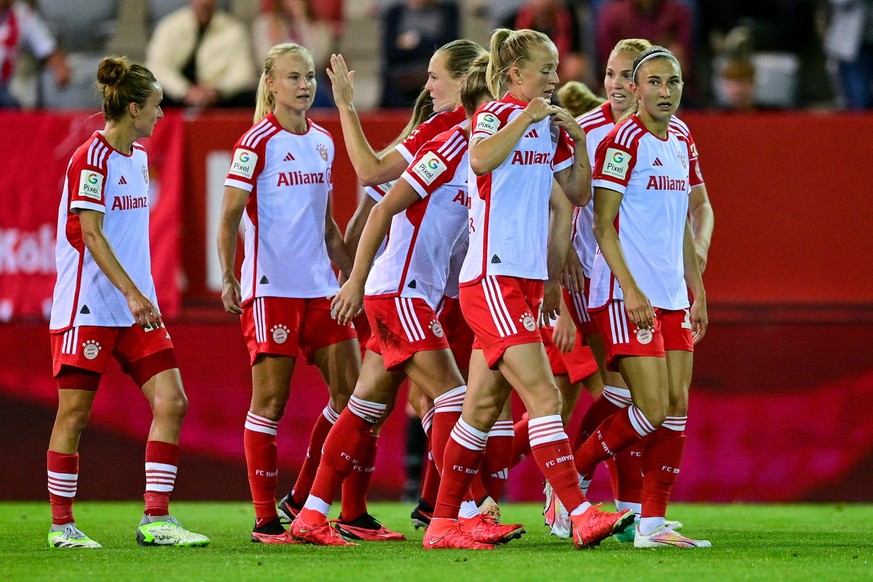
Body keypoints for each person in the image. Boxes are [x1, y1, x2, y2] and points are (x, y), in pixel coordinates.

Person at [289, 54, 521, 547]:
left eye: (436, 76)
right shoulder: (451, 139)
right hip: (400, 292)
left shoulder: (478, 141)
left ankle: (310, 514)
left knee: (364, 408)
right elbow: (379, 202)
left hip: (415, 292)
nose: (428, 85)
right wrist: (354, 280)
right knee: (454, 399)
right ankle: (456, 514)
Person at [423, 28, 635, 551]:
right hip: (493, 276)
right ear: (515, 74)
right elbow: (480, 160)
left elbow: (579, 194)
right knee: (544, 395)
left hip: (522, 280)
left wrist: (580, 141)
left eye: (556, 68)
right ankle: (579, 511)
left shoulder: (551, 127)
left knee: (478, 411)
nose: (555, 78)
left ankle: (443, 523)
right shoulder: (496, 114)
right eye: (545, 69)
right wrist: (525, 117)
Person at [46, 56, 209, 549]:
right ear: (134, 109)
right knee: (74, 415)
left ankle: (156, 519)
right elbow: (91, 236)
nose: (163, 115)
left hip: (137, 307)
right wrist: (133, 293)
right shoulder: (88, 161)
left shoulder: (138, 159)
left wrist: (141, 295)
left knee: (173, 402)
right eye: (157, 106)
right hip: (89, 306)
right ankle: (61, 526)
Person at [216, 43, 360, 544]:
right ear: (271, 84)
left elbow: (326, 225)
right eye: (293, 77)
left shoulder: (324, 142)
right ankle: (264, 520)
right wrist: (229, 276)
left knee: (354, 397)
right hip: (271, 289)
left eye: (308, 76)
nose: (304, 85)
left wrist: (351, 274)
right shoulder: (255, 142)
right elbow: (229, 215)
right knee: (271, 404)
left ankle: (302, 500)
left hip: (321, 288)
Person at [571, 45, 711, 549]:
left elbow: (680, 225)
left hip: (673, 293)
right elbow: (601, 224)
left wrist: (697, 292)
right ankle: (572, 474)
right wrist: (630, 289)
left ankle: (651, 525)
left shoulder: (681, 138)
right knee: (648, 409)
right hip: (625, 294)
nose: (665, 91)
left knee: (676, 409)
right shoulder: (619, 141)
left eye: (672, 82)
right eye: (654, 82)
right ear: (634, 89)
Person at [146, 0, 257, 108]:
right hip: (176, 97)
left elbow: (243, 72)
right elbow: (157, 67)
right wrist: (185, 91)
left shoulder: (234, 30)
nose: (204, 2)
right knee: (150, 96)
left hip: (219, 98)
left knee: (251, 98)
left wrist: (216, 91)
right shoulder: (169, 26)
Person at [252, 0, 335, 108]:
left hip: (309, 76)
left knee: (315, 89)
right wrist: (277, 40)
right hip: (276, 77)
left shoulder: (320, 27)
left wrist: (302, 24)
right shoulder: (264, 24)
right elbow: (264, 61)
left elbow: (318, 60)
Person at [380, 0, 460, 108]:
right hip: (400, 80)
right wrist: (429, 45)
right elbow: (391, 52)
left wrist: (417, 42)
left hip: (434, 75)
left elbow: (448, 48)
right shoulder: (395, 13)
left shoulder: (448, 11)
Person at [0, 0, 69, 108]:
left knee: (12, 107)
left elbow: (46, 45)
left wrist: (59, 68)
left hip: (3, 88)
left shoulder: (21, 14)